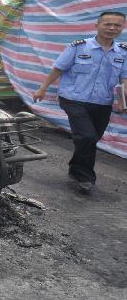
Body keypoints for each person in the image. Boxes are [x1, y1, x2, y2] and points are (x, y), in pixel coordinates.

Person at [33, 11, 127, 194]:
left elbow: (125, 79)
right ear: (97, 25)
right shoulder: (78, 47)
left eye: (117, 25)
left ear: (122, 28)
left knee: (91, 139)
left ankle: (76, 167)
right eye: (107, 24)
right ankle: (85, 177)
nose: (112, 28)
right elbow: (58, 68)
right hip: (73, 99)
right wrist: (42, 88)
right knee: (87, 137)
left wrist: (124, 100)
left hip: (103, 102)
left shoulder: (122, 52)